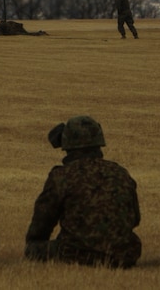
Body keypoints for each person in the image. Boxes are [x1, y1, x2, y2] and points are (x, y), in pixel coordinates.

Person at [25, 115, 141, 268]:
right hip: (124, 256)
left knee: (33, 249)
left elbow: (41, 225)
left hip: (76, 255)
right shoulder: (120, 173)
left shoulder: (62, 176)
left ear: (67, 143)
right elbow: (135, 218)